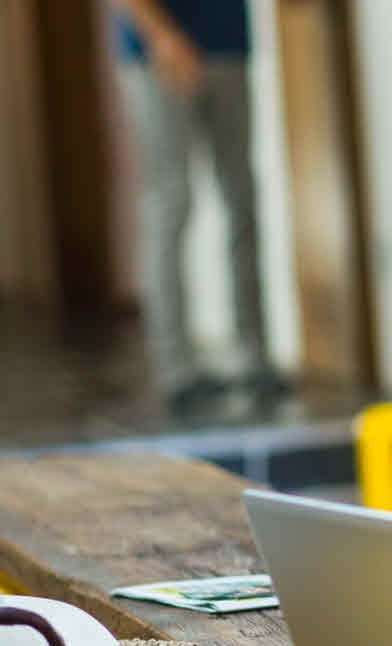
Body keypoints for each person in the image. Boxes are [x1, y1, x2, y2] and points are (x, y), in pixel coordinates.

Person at [113, 0, 287, 413]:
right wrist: (162, 35)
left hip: (227, 44)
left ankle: (254, 355)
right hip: (157, 53)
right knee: (171, 204)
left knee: (242, 198)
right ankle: (176, 370)